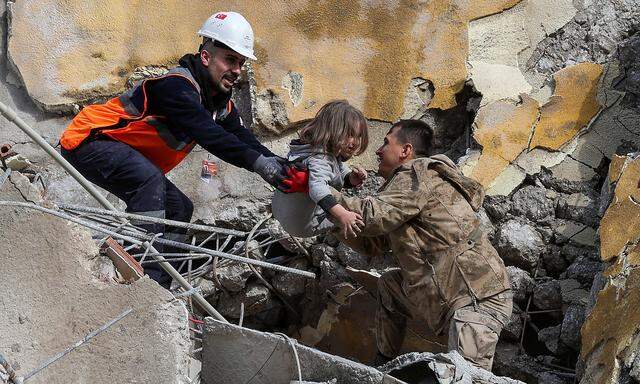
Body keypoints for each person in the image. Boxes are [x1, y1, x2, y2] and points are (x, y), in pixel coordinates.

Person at [59, 12, 305, 288]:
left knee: (179, 207)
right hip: (89, 140)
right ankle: (141, 281)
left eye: (241, 62)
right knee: (149, 181)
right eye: (230, 59)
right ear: (206, 57)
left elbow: (241, 136)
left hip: (120, 151)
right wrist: (261, 165)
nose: (237, 70)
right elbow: (209, 134)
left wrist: (278, 164)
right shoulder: (177, 87)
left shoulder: (218, 103)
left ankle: (161, 286)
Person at [332, 119, 512, 371]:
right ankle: (383, 368)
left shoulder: (418, 175)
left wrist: (323, 195)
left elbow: (372, 216)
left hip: (476, 298)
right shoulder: (403, 191)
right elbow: (372, 243)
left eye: (386, 142)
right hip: (449, 295)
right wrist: (329, 219)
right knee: (391, 284)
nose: (378, 150)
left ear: (406, 151)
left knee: (467, 377)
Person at [272, 100, 369, 238]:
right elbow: (318, 189)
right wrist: (343, 215)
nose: (355, 142)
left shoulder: (309, 149)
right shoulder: (320, 159)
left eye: (358, 136)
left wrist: (351, 178)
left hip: (281, 212)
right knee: (361, 217)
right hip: (304, 225)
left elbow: (337, 169)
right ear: (333, 131)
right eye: (350, 134)